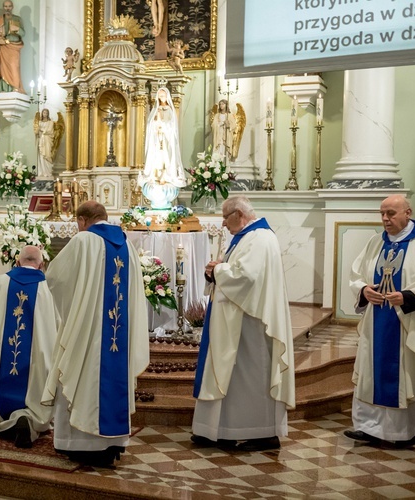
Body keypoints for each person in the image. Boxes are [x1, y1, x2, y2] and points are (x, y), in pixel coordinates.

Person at [43, 201, 149, 466]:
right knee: (108, 380)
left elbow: (55, 278)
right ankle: (112, 444)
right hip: (118, 334)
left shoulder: (83, 241)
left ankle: (80, 445)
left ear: (82, 220)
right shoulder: (126, 245)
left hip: (88, 331)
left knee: (82, 376)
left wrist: (71, 309)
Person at [191, 196, 295, 451]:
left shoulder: (260, 238)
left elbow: (246, 277)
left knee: (248, 377)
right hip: (235, 319)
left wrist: (218, 271)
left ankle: (261, 433)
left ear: (239, 213)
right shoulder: (248, 237)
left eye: (226, 217)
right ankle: (218, 429)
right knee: (230, 374)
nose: (224, 224)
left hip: (251, 323)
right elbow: (235, 272)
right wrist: (214, 271)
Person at [344, 194, 415, 447]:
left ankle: (402, 432)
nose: (385, 219)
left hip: (407, 321)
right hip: (376, 320)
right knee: (370, 371)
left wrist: (408, 296)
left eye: (391, 213)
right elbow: (356, 274)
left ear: (407, 213)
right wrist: (364, 289)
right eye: (382, 214)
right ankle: (368, 427)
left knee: (404, 372)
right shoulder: (376, 242)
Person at [0, 246, 58, 448]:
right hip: (38, 354)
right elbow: (58, 323)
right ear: (42, 265)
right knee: (38, 381)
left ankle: (6, 420)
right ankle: (28, 418)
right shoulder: (50, 287)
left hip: (1, 352)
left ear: (18, 263)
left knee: (0, 376)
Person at [139, 87, 186, 209]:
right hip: (156, 141)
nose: (161, 98)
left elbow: (172, 128)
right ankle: (156, 176)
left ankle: (166, 176)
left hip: (166, 141)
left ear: (167, 97)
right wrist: (156, 124)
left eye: (163, 96)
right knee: (156, 159)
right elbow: (150, 125)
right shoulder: (155, 110)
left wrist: (163, 126)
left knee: (166, 159)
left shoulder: (170, 110)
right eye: (159, 96)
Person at [0, 0, 25, 93]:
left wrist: (17, 28)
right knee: (3, 67)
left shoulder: (17, 19)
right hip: (3, 47)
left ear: (12, 7)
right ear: (3, 7)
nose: (7, 8)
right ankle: (4, 88)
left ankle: (15, 87)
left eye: (9, 6)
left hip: (14, 46)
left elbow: (23, 33)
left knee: (14, 66)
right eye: (5, 6)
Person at [35, 108, 55, 179]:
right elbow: (37, 132)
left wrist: (42, 130)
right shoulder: (40, 122)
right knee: (41, 155)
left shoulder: (50, 122)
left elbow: (50, 131)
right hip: (41, 140)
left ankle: (48, 172)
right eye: (44, 113)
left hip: (47, 140)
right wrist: (38, 130)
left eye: (46, 113)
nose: (45, 114)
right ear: (42, 114)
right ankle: (42, 172)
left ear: (48, 114)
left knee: (47, 154)